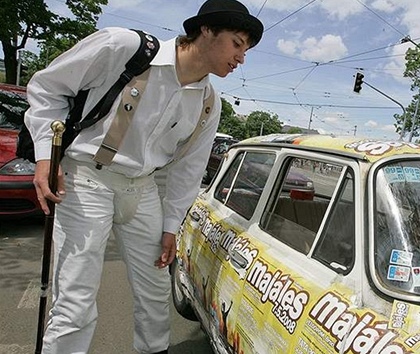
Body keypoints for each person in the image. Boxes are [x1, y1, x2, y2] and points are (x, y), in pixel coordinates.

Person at [24, 0, 263, 353]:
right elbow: (47, 89)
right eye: (237, 44)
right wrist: (47, 154)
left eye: (246, 50)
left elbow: (188, 170)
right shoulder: (123, 47)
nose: (241, 57)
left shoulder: (209, 102)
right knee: (76, 296)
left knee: (154, 292)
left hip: (142, 188)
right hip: (87, 177)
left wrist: (171, 227)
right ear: (207, 30)